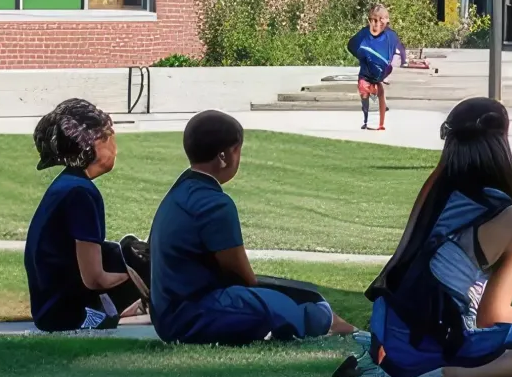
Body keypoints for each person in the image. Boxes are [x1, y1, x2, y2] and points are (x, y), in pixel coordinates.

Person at [342, 97, 512, 377]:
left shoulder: (436, 194)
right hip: (441, 342)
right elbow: (493, 314)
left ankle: (424, 370)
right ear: (501, 144)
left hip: (394, 342)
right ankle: (456, 376)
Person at [148, 110, 354, 344]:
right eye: (238, 150)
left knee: (299, 291)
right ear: (225, 155)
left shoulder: (180, 191)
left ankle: (329, 320)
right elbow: (242, 276)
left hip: (169, 316)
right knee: (297, 305)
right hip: (194, 317)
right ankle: (341, 328)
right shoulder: (214, 204)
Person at [25, 99, 151, 331]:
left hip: (49, 308)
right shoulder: (81, 193)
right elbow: (93, 278)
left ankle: (139, 306)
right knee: (140, 260)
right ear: (93, 143)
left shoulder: (67, 184)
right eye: (110, 137)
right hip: (68, 315)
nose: (115, 147)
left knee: (123, 251)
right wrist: (135, 277)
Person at [348, 4, 403, 131]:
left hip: (379, 74)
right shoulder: (365, 34)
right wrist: (363, 55)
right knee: (364, 91)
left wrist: (387, 69)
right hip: (366, 74)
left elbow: (394, 53)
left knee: (379, 93)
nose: (385, 21)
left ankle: (380, 122)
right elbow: (351, 45)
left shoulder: (389, 36)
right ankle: (367, 117)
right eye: (380, 19)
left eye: (386, 18)